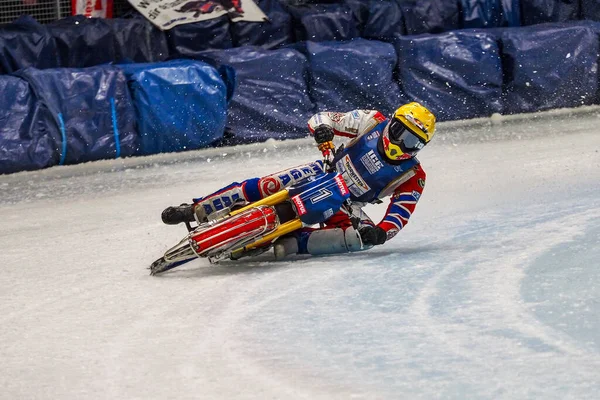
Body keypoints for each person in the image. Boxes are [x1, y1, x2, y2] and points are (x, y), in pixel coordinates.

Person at [161, 102, 436, 259]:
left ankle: (295, 243)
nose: (402, 143)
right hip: (325, 169)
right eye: (401, 132)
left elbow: (400, 215)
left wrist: (380, 232)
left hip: (347, 203)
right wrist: (324, 130)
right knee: (268, 184)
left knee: (361, 240)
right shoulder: (371, 121)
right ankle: (199, 208)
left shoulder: (413, 176)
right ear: (392, 123)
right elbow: (322, 118)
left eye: (412, 141)